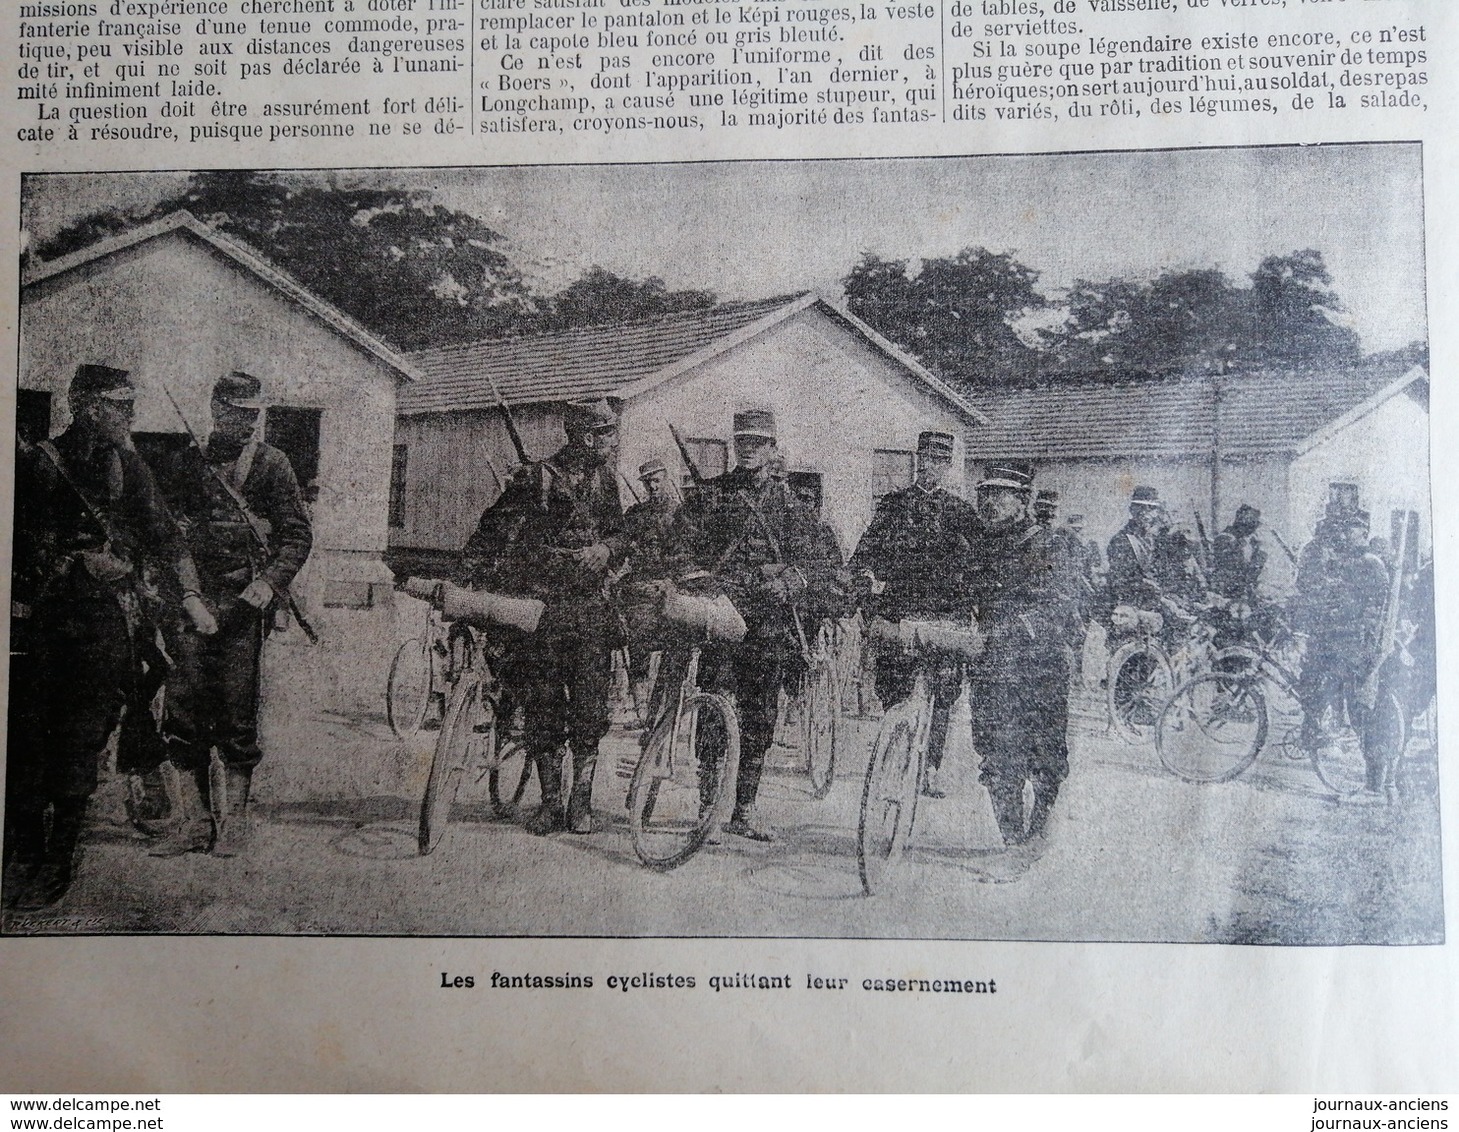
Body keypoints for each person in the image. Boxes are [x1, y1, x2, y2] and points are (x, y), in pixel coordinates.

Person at [4, 364, 217, 909]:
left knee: (79, 737)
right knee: (24, 736)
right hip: (37, 619)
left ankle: (58, 859)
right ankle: (21, 851)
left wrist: (190, 595)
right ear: (86, 405)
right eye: (118, 405)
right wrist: (72, 561)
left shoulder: (129, 466)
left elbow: (166, 537)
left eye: (129, 404)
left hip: (102, 625)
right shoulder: (35, 463)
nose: (128, 415)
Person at [148, 372, 313, 858]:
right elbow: (168, 537)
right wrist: (189, 595)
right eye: (239, 412)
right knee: (183, 707)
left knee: (237, 711)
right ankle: (195, 822)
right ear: (217, 408)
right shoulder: (185, 460)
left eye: (255, 414)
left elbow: (296, 536)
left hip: (244, 603)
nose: (248, 423)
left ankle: (234, 822)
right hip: (191, 600)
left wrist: (268, 583)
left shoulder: (272, 464)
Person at [664, 407, 840, 841]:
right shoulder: (712, 495)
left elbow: (816, 563)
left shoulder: (791, 505)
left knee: (760, 715)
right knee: (712, 704)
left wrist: (790, 580)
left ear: (772, 448)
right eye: (742, 442)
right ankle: (707, 804)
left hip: (770, 623)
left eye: (758, 443)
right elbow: (679, 546)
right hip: (723, 616)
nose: (748, 450)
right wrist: (700, 579)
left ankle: (743, 808)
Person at [459, 397, 628, 835]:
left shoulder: (606, 481)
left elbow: (619, 532)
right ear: (584, 435)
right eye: (604, 433)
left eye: (611, 432)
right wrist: (471, 579)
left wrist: (607, 549)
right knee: (543, 705)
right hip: (543, 610)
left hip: (591, 611)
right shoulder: (537, 477)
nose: (610, 441)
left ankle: (581, 803)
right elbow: (492, 530)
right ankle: (551, 803)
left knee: (591, 711)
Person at [964, 459, 1079, 872]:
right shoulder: (978, 546)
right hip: (992, 670)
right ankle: (1012, 841)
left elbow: (1062, 605)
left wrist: (1012, 629)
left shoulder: (1050, 544)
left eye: (1001, 495)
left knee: (1045, 758)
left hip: (1039, 670)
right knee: (997, 756)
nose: (990, 503)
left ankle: (1039, 828)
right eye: (985, 495)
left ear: (1023, 501)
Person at [849, 430, 977, 797]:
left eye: (939, 460)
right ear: (917, 459)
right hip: (899, 613)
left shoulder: (961, 512)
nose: (930, 466)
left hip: (944, 617)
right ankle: (896, 750)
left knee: (942, 694)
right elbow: (865, 557)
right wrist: (865, 590)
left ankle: (931, 766)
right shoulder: (892, 507)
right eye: (925, 458)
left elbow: (980, 565)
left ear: (948, 465)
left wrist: (969, 604)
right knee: (894, 690)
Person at [1292, 507, 1389, 785]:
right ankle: (1312, 729)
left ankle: (1375, 774)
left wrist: (1355, 631)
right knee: (1312, 680)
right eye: (1345, 531)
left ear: (1363, 534)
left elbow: (1373, 610)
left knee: (1358, 710)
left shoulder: (1369, 563)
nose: (1346, 535)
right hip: (1339, 638)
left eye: (1353, 531)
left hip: (1354, 644)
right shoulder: (1350, 561)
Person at [621, 457, 681, 711]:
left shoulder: (680, 514)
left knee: (679, 637)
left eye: (657, 481)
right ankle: (641, 700)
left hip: (672, 585)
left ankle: (669, 701)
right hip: (642, 586)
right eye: (648, 483)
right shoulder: (635, 515)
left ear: (666, 479)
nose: (653, 487)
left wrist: (671, 580)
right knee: (638, 635)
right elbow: (623, 547)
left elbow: (686, 553)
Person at [1211, 504, 1267, 604]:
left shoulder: (1250, 540)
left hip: (1245, 589)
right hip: (1227, 591)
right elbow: (1231, 565)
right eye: (1252, 524)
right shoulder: (1225, 538)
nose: (1254, 529)